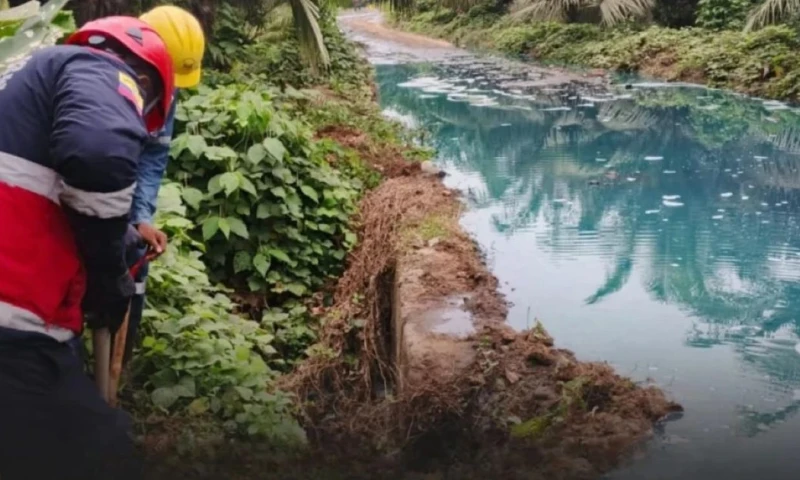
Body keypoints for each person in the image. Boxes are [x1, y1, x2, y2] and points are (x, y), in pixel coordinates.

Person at [0, 16, 174, 480]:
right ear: (144, 81)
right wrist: (105, 267)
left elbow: (44, 194)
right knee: (103, 452)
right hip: (13, 330)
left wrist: (124, 239)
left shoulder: (26, 74)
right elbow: (98, 154)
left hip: (27, 328)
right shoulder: (101, 69)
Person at [122, 5, 206, 365]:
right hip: (86, 193)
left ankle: (121, 362)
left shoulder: (167, 95)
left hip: (125, 196)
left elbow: (153, 158)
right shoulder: (102, 83)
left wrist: (140, 218)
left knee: (135, 262)